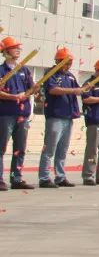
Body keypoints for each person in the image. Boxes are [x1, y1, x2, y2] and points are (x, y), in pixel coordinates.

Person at [38, 48, 87, 189]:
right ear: (58, 61)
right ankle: (44, 177)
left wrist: (86, 88)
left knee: (62, 149)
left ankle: (60, 176)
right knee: (50, 148)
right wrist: (74, 91)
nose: (68, 66)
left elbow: (78, 90)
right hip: (55, 116)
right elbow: (52, 89)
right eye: (66, 62)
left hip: (68, 115)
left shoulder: (70, 76)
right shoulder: (51, 73)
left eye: (70, 63)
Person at [0, 36, 34, 190]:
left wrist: (30, 92)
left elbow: (31, 87)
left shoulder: (23, 69)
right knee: (1, 147)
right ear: (6, 51)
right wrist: (14, 97)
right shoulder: (1, 70)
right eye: (14, 48)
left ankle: (16, 178)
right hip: (6, 114)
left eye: (18, 47)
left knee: (19, 148)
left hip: (22, 114)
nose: (18, 50)